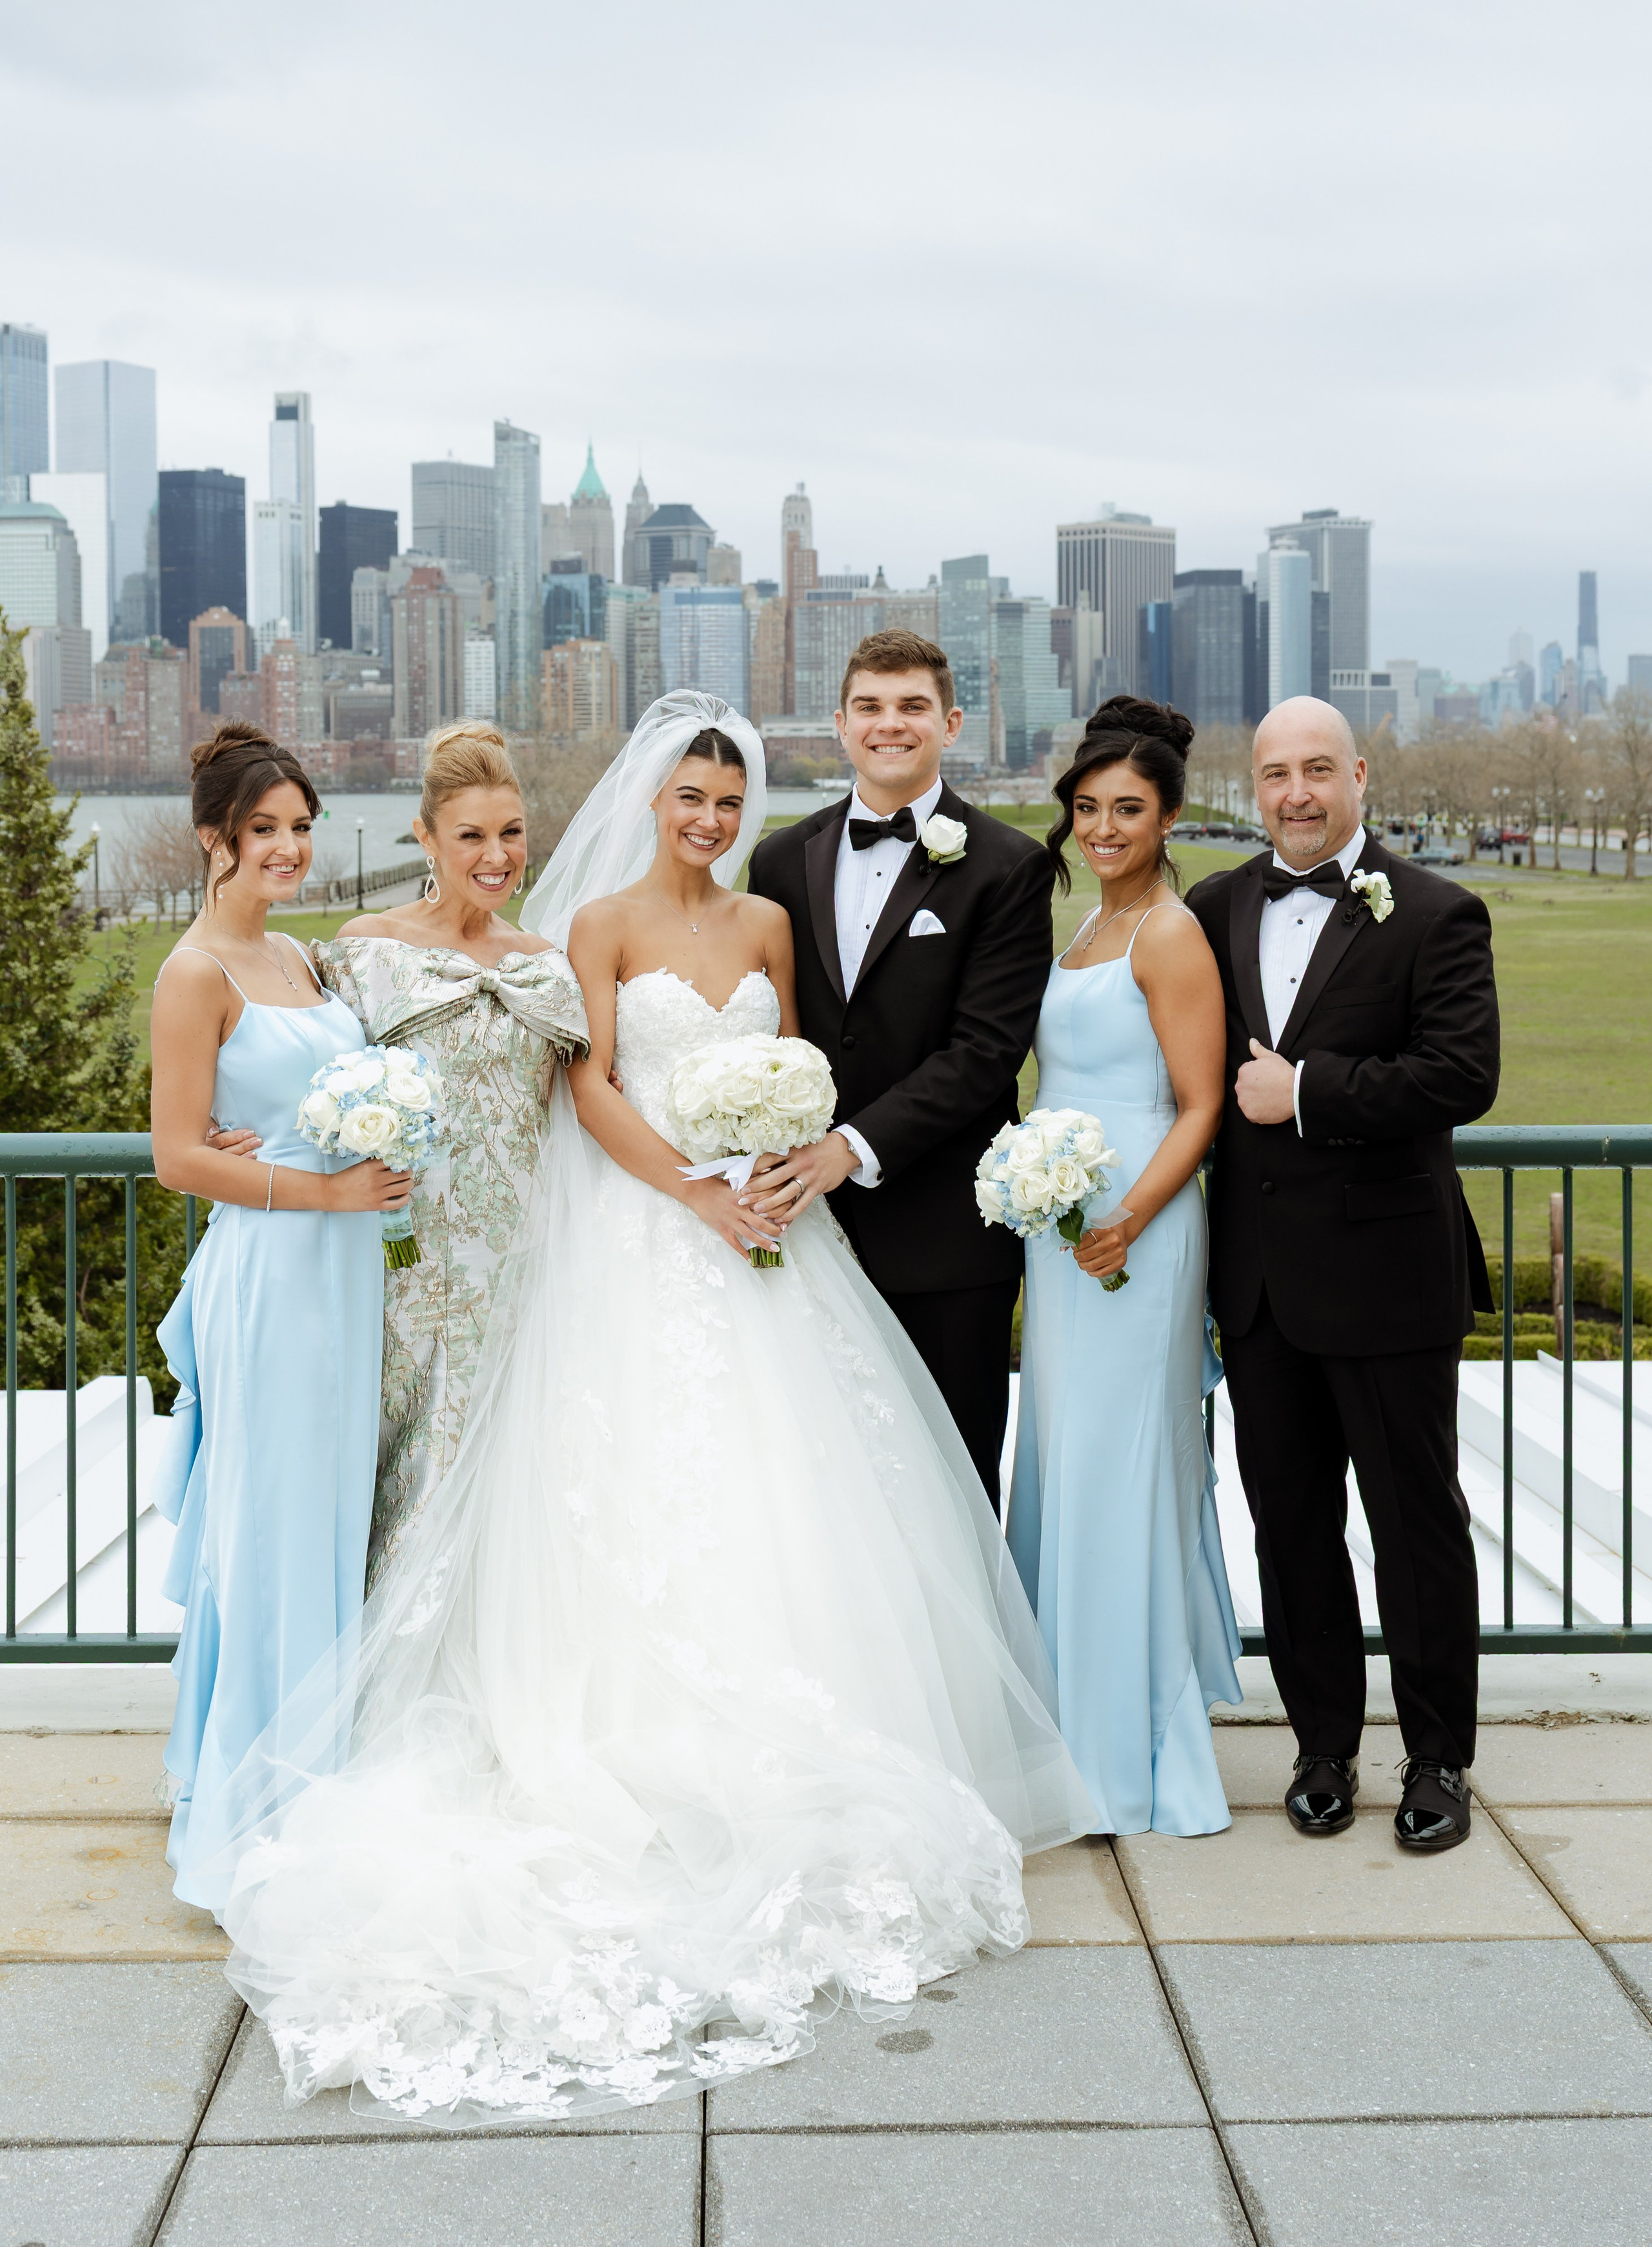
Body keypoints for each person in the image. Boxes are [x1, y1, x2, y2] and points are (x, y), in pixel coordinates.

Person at [193, 691, 1094, 2127]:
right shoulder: (592, 927)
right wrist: (684, 1180)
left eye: (729, 802)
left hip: (768, 1228)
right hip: (636, 1228)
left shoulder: (764, 928)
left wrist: (770, 1163)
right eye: (689, 797)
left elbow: (788, 1064)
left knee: (802, 1485)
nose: (709, 820)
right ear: (649, 799)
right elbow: (588, 1082)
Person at [1186, 695, 1499, 1851]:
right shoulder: (1211, 909)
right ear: (1254, 785)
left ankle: (1439, 1760)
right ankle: (1324, 1746)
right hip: (1260, 1287)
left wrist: (1308, 1091)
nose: (1297, 793)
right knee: (1291, 1526)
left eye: (1319, 769)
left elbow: (1462, 1075)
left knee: (1417, 1525)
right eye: (1276, 774)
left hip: (1389, 1279)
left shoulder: (1437, 912)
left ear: (1360, 774)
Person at [148, 724, 410, 1909]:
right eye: (265, 831)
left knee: (330, 1512)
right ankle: (258, 1798)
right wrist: (324, 1186)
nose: (290, 850)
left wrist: (383, 1149)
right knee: (272, 1521)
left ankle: (323, 1766)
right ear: (215, 837)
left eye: (301, 828)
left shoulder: (304, 964)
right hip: (275, 1267)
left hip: (349, 1266)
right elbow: (173, 1160)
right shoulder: (193, 971)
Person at [746, 628, 1057, 1505]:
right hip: (802, 1238)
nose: (892, 725)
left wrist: (850, 1146)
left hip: (948, 1241)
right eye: (872, 708)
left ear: (950, 722)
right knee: (819, 1496)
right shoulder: (777, 859)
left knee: (953, 1491)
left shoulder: (1008, 867)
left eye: (913, 706)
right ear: (839, 724)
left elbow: (986, 1051)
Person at [1008, 699, 1242, 1835]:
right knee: (1064, 1455)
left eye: (1129, 811)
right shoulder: (1088, 925)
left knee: (1120, 1465)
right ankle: (1062, 1728)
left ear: (1169, 818)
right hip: (1062, 1235)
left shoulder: (1168, 931)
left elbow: (1200, 1106)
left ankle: (1127, 1751)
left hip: (1132, 1237)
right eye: (1088, 808)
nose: (1104, 828)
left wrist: (1133, 1218)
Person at [313, 724, 587, 1583]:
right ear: (427, 838)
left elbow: (592, 1105)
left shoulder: (547, 965)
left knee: (510, 1461)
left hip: (520, 1260)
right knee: (403, 1461)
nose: (496, 854)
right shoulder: (365, 949)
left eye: (511, 832)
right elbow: (311, 1072)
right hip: (404, 1255)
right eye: (471, 835)